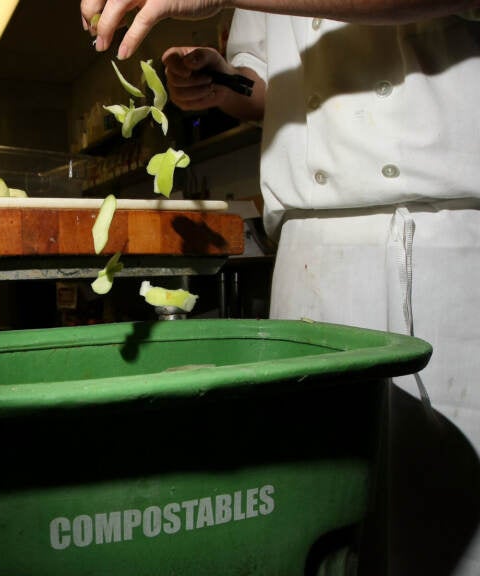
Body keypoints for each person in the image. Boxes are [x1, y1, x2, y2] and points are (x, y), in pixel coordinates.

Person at [81, 1, 480, 574]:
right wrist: (221, 81)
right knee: (308, 527)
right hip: (305, 249)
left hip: (442, 237)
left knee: (439, 528)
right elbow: (267, 84)